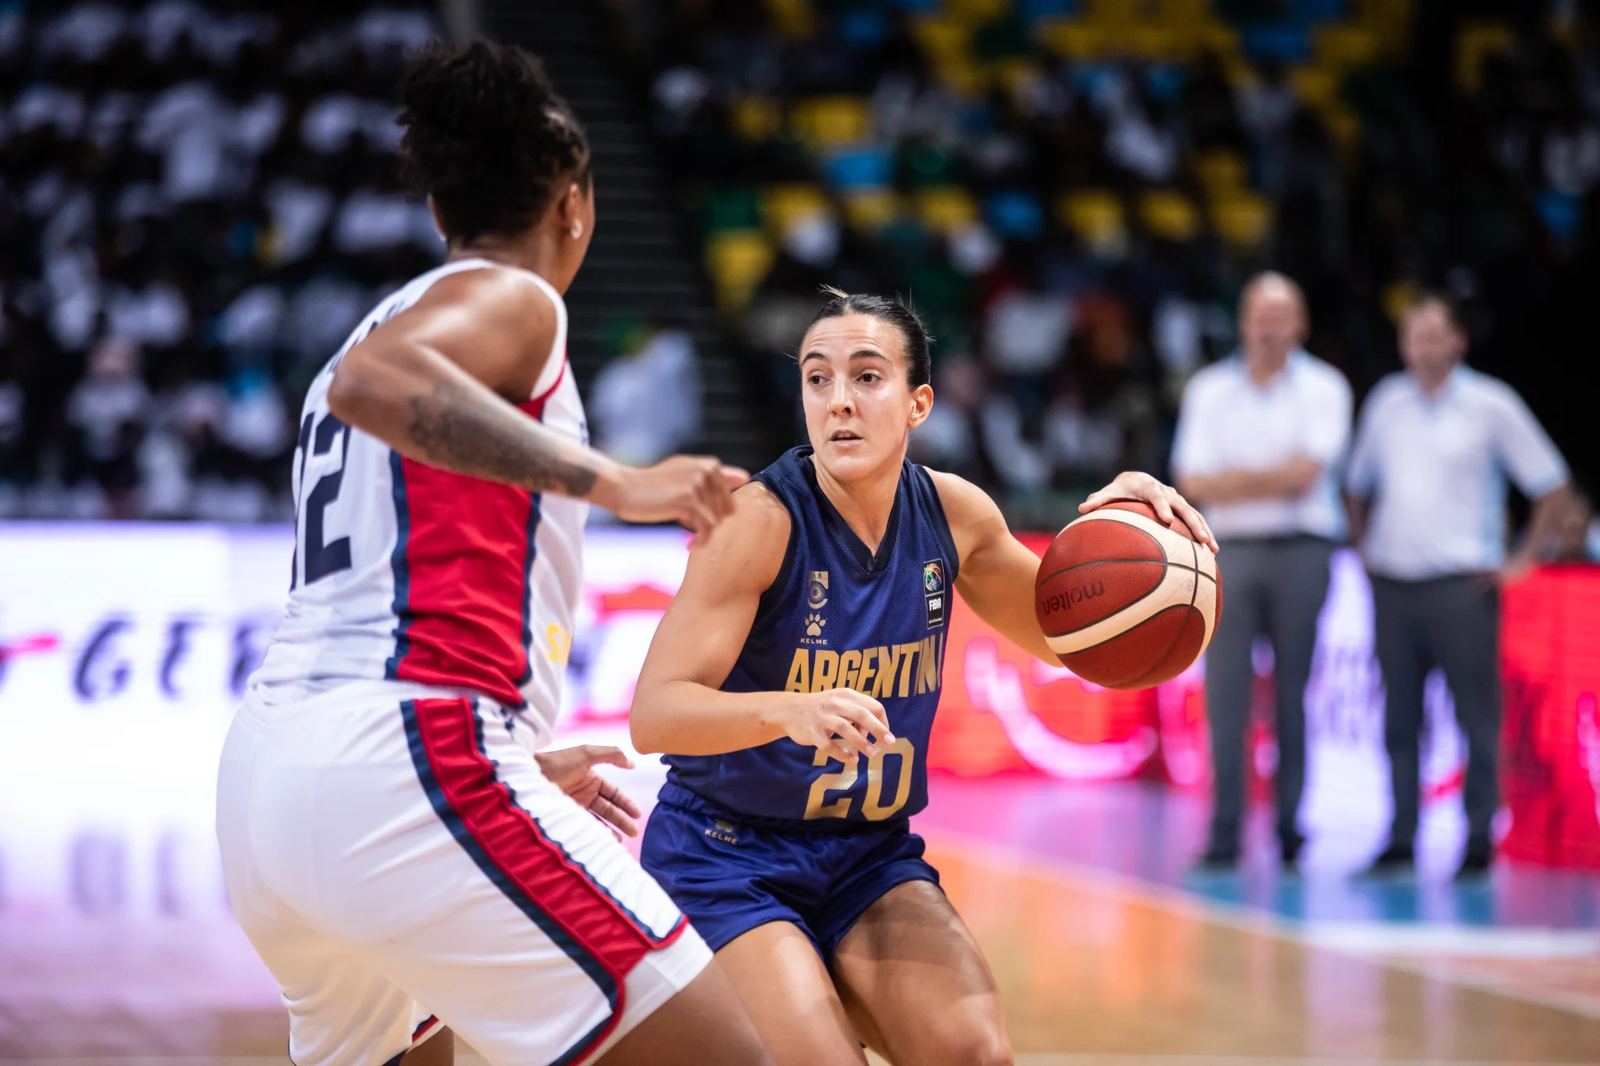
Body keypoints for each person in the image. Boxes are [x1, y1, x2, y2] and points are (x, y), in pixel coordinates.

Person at [214, 42, 773, 1066]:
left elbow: (371, 390)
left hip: (273, 779)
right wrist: (619, 480)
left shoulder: (371, 325)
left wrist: (507, 761)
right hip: (405, 754)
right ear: (574, 204)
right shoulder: (513, 301)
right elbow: (377, 384)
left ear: (439, 214)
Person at [628, 288, 1216, 1066]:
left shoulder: (955, 514)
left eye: (867, 378)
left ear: (918, 403)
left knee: (974, 1053)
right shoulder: (756, 524)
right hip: (726, 854)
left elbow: (1076, 641)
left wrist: (1143, 541)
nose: (839, 401)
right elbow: (655, 714)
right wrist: (785, 712)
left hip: (867, 856)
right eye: (817, 378)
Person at [1347, 293, 1572, 880]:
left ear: (1458, 341)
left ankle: (1477, 838)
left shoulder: (1491, 405)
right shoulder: (1387, 403)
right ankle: (1400, 837)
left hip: (1461, 586)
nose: (1420, 345)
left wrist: (1523, 558)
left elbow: (1550, 484)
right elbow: (1357, 482)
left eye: (1432, 334)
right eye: (1412, 335)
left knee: (1475, 716)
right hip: (1393, 583)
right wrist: (1363, 545)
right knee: (1399, 718)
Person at [1170, 272, 1352, 870]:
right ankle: (1224, 834)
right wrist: (1273, 478)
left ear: (1300, 324)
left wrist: (1235, 482)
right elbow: (1192, 483)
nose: (1270, 328)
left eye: (1282, 316)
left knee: (1293, 694)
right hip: (1228, 550)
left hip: (1305, 549)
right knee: (1226, 696)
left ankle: (1291, 832)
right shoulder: (1209, 390)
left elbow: (1309, 477)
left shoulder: (1326, 387)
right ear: (1244, 321)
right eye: (1259, 315)